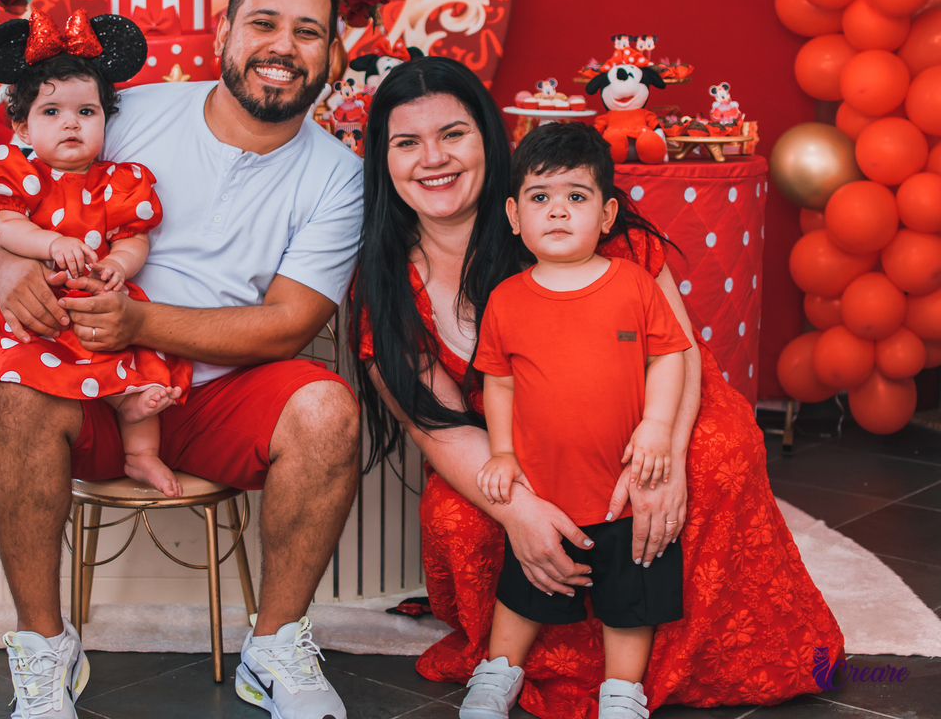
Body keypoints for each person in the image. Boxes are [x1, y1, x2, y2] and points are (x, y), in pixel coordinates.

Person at [349, 56, 844, 719]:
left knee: (716, 455)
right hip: (520, 440)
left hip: (649, 402)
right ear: (382, 160)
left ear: (488, 140)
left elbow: (677, 351)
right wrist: (521, 510)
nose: (433, 159)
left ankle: (638, 675)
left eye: (453, 134)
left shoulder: (565, 213)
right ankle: (513, 663)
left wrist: (661, 450)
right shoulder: (387, 288)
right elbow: (437, 425)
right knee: (459, 517)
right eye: (407, 142)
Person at [0, 0, 363, 719]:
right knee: (12, 392)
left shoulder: (337, 174)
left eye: (308, 31)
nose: (283, 47)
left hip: (219, 400)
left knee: (329, 410)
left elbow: (289, 324)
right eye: (265, 23)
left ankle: (275, 646)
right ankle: (45, 651)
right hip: (88, 388)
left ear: (333, 53)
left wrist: (141, 322)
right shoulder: (132, 111)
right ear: (224, 32)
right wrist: (4, 271)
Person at [460, 124, 691, 719]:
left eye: (576, 196)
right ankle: (498, 672)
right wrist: (504, 452)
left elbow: (669, 356)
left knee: (632, 591)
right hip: (546, 486)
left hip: (621, 485)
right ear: (514, 216)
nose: (557, 210)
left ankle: (622, 691)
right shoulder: (508, 298)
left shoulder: (634, 286)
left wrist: (659, 427)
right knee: (525, 586)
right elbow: (500, 382)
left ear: (608, 214)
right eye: (539, 198)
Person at [0, 10, 193, 501]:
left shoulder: (121, 180)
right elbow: (3, 225)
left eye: (86, 112)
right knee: (26, 373)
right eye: (52, 113)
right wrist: (50, 243)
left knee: (142, 367)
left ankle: (140, 451)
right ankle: (86, 423)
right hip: (36, 309)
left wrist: (117, 265)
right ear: (22, 127)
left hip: (97, 304)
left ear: (106, 120)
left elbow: (135, 238)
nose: (71, 123)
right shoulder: (13, 170)